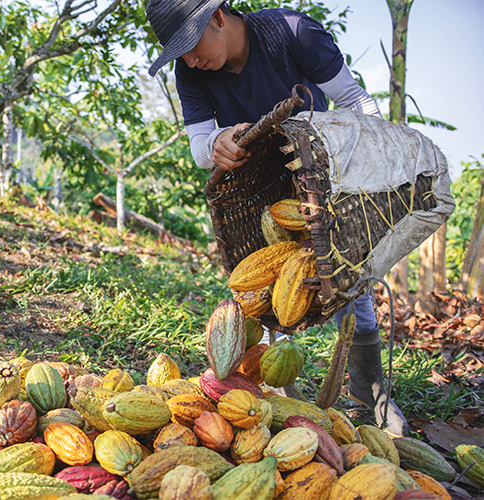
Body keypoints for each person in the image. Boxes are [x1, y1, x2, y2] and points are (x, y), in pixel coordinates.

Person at [145, 0, 410, 437]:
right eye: (179, 53)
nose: (189, 60)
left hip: (323, 175)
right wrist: (216, 141)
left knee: (350, 282)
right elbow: (197, 145)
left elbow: (355, 100)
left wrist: (368, 160)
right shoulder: (191, 70)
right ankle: (279, 395)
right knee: (271, 288)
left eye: (189, 45)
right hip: (259, 195)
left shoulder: (291, 32)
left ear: (217, 17)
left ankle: (372, 393)